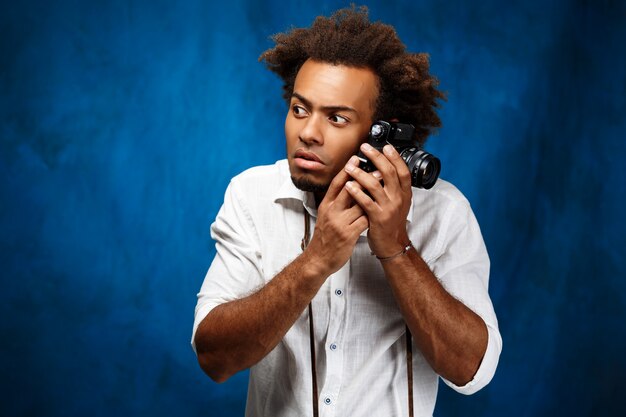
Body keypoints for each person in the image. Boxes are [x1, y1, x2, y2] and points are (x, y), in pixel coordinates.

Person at [192, 6, 501, 416]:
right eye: (300, 109)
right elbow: (214, 359)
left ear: (383, 134)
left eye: (336, 118)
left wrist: (395, 247)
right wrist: (317, 258)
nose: (308, 133)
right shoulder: (252, 195)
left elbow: (470, 371)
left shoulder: (444, 212)